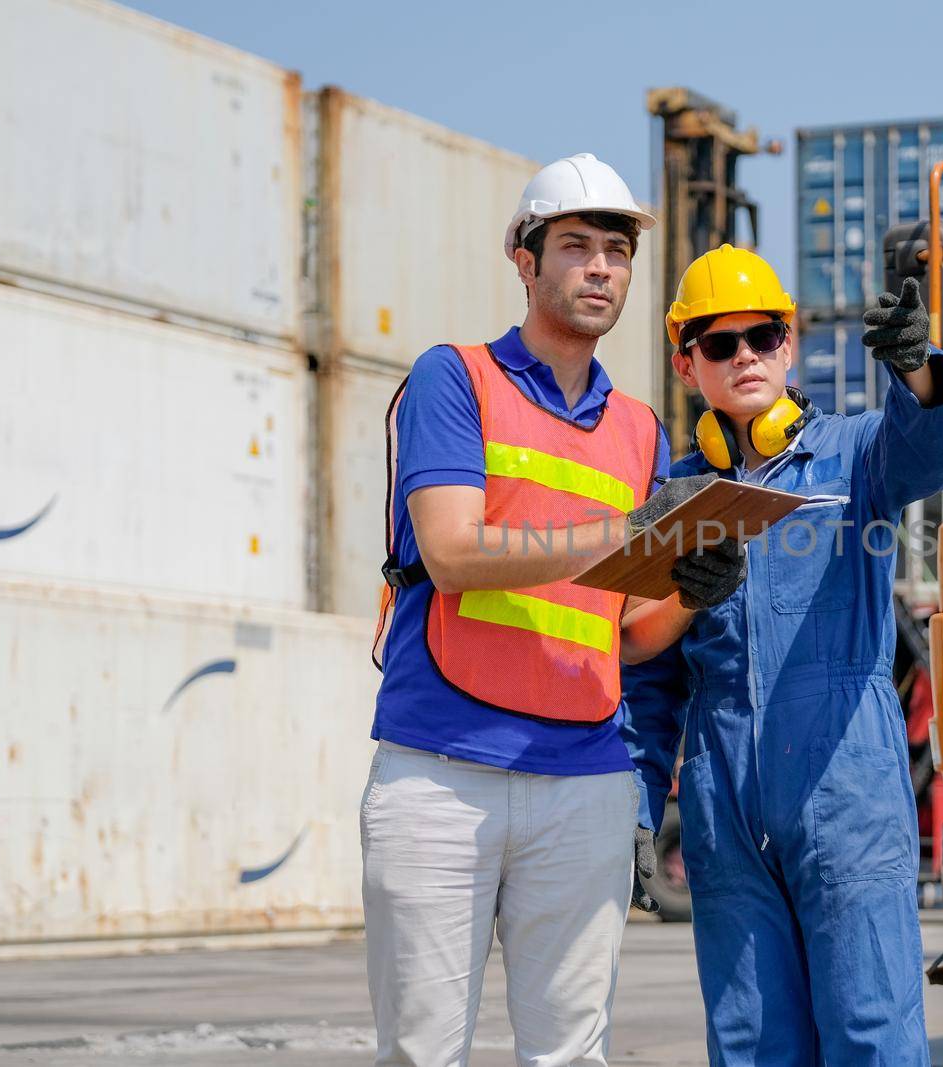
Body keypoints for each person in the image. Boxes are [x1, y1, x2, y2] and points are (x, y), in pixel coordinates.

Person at [361, 153, 745, 1067]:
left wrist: (690, 596)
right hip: (441, 770)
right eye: (575, 245)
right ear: (524, 260)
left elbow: (627, 628)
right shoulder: (455, 379)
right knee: (422, 1053)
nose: (601, 267)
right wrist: (624, 531)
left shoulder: (642, 428)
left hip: (585, 775)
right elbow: (452, 553)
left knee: (573, 1055)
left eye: (616, 250)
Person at [621, 245, 943, 1065]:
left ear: (789, 343)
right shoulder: (676, 499)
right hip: (723, 804)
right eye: (718, 341)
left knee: (871, 1034)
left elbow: (926, 450)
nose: (743, 354)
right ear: (685, 361)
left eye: (763, 335)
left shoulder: (853, 456)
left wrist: (917, 368)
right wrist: (638, 807)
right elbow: (648, 671)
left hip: (844, 788)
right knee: (752, 1045)